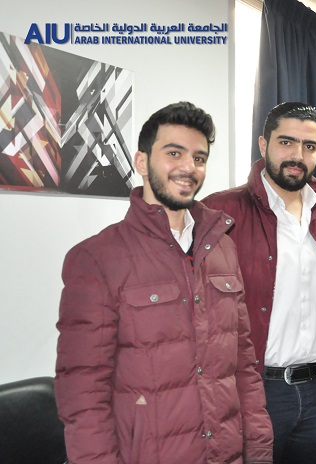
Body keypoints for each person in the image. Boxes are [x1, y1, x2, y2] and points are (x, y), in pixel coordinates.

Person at [54, 101, 273, 463]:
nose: (188, 167)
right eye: (174, 153)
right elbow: (83, 394)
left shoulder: (223, 248)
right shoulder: (96, 259)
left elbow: (243, 367)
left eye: (199, 158)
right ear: (141, 162)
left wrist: (260, 452)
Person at [202, 102, 316, 464]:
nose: (297, 155)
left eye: (309, 146)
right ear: (263, 144)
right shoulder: (220, 211)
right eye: (286, 142)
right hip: (254, 392)